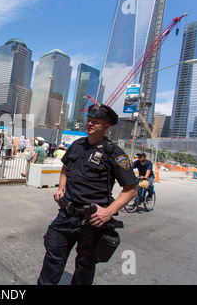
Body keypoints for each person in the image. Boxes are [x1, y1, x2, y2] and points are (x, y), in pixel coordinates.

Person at [37, 103, 138, 285]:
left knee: (85, 265)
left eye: (96, 122)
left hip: (92, 221)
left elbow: (131, 189)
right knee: (53, 258)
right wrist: (61, 189)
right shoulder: (76, 145)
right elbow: (65, 168)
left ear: (106, 127)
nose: (90, 124)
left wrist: (108, 212)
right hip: (66, 216)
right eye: (89, 120)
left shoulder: (114, 153)